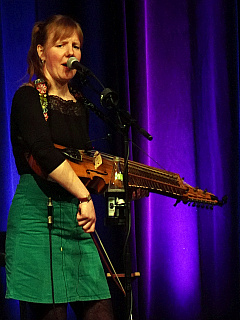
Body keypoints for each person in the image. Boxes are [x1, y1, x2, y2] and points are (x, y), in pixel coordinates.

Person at [6, 15, 114, 319]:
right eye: (61, 44)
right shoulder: (27, 97)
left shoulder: (80, 104)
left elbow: (83, 165)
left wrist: (114, 187)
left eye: (76, 46)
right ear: (41, 51)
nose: (71, 52)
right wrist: (84, 197)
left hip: (75, 224)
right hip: (37, 222)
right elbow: (44, 154)